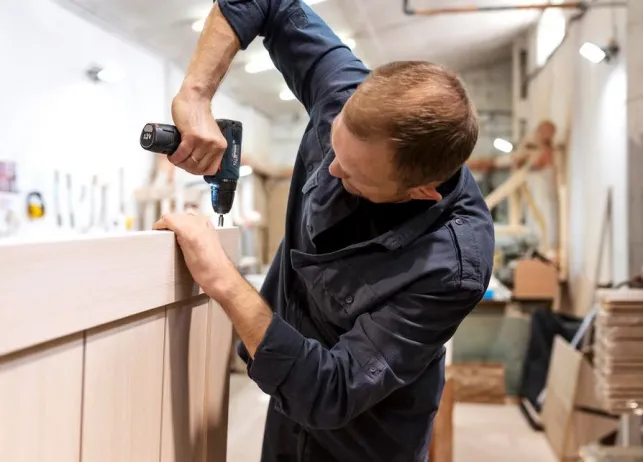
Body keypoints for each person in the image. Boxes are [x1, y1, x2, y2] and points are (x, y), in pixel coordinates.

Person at [153, 0, 495, 460]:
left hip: (365, 439)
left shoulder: (452, 265)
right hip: (287, 408)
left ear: (421, 193)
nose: (330, 170)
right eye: (333, 147)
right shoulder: (342, 94)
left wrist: (223, 280)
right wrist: (195, 94)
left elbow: (332, 391)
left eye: (354, 176)